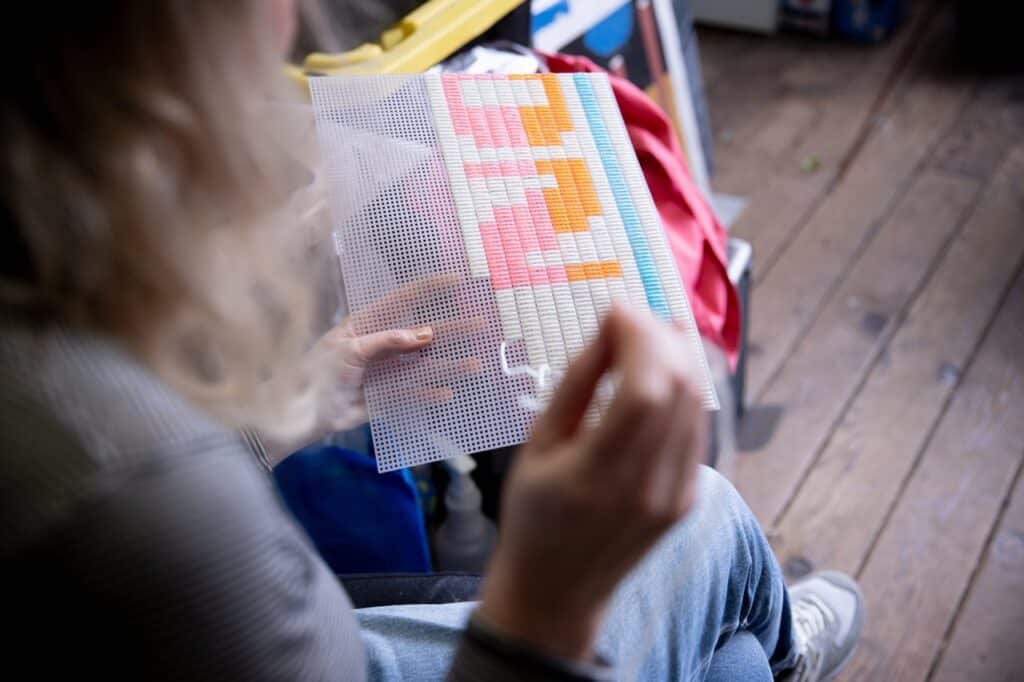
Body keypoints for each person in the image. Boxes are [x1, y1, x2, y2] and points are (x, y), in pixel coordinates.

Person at [0, 1, 864, 680]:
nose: (289, 21)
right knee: (706, 523)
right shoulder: (145, 498)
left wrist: (287, 414)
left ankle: (760, 640)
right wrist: (549, 593)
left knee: (730, 665)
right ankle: (777, 633)